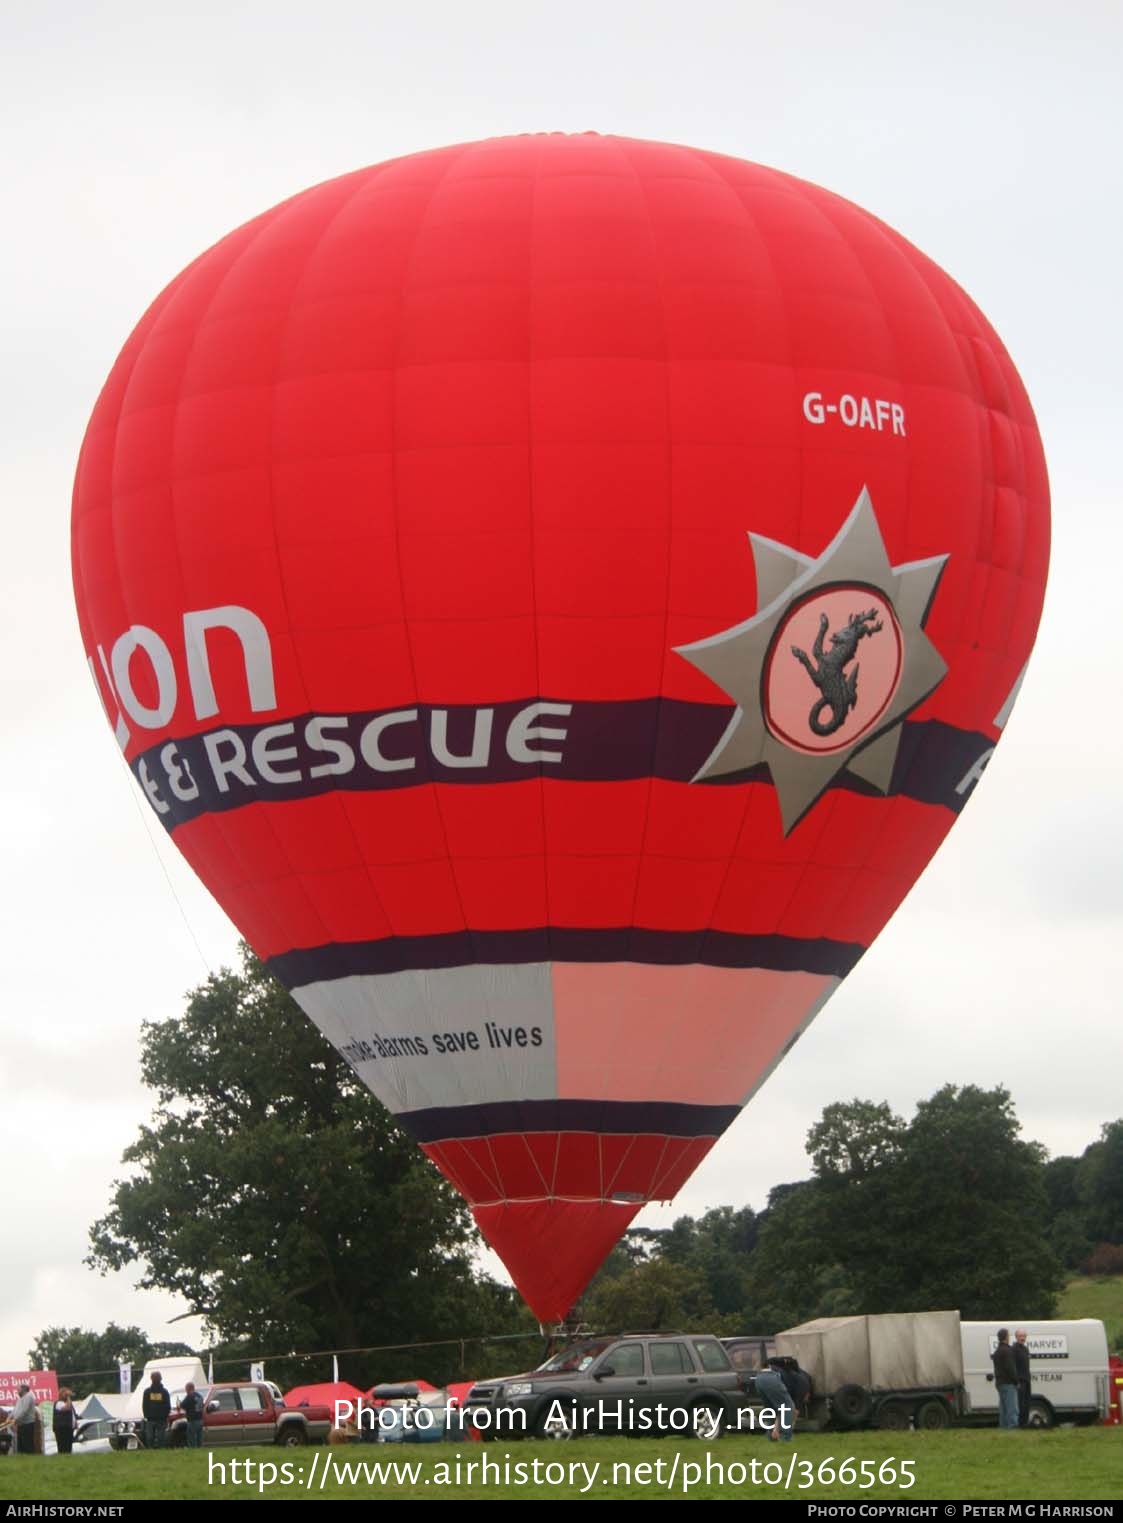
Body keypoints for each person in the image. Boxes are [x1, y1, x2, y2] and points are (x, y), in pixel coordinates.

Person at [754, 1360, 796, 1443]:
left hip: (759, 1380)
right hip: (772, 1379)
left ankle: (771, 1435)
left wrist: (775, 1428)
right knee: (788, 1407)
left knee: (770, 1409)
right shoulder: (783, 1373)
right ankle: (785, 1437)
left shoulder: (762, 1373)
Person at [991, 1328, 1019, 1429]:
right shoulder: (1007, 1351)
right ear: (1006, 1337)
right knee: (1012, 1407)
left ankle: (1003, 1426)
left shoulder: (997, 1351)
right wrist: (1016, 1381)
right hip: (1008, 1383)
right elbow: (1010, 1368)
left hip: (999, 1383)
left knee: (1003, 1407)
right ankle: (1012, 1427)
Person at [142, 1372, 171, 1449]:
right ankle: (151, 1450)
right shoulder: (147, 1392)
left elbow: (168, 1406)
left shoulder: (164, 1392)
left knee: (161, 1437)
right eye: (154, 1377)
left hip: (161, 1419)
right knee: (150, 1437)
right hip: (151, 1419)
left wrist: (165, 1416)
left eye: (156, 1378)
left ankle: (160, 1450)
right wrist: (146, 1416)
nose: (155, 1379)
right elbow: (145, 1405)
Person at [6, 1386, 38, 1454]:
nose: (17, 1391)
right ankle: (22, 1458)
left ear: (23, 1389)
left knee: (27, 1444)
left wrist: (15, 1419)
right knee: (21, 1445)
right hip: (21, 1424)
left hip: (27, 1424)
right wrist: (9, 1418)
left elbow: (24, 1411)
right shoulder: (20, 1399)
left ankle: (30, 1459)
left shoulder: (29, 1396)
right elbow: (15, 1410)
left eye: (18, 1389)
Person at [1013, 1328, 1032, 1428]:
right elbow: (1013, 1366)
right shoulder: (1014, 1349)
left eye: (1024, 1336)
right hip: (1020, 1380)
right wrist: (1016, 1381)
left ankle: (1025, 1423)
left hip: (1027, 1379)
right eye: (1020, 1336)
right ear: (1016, 1337)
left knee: (1027, 1402)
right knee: (1020, 1403)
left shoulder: (1026, 1349)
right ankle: (1020, 1423)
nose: (1022, 1338)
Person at [52, 1389, 79, 1455]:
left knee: (68, 1446)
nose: (67, 1395)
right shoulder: (59, 1403)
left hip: (68, 1427)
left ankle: (67, 1458)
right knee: (63, 1446)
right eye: (65, 1393)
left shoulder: (68, 1403)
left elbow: (72, 1413)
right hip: (62, 1428)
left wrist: (75, 1423)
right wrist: (68, 1397)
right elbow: (67, 1408)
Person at [180, 1382, 205, 1449]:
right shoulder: (200, 1396)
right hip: (200, 1419)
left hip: (192, 1420)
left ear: (188, 1388)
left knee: (191, 1437)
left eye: (186, 1389)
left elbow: (182, 1405)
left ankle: (193, 1450)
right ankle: (200, 1449)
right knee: (199, 1437)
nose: (186, 1390)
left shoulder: (189, 1396)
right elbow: (202, 1406)